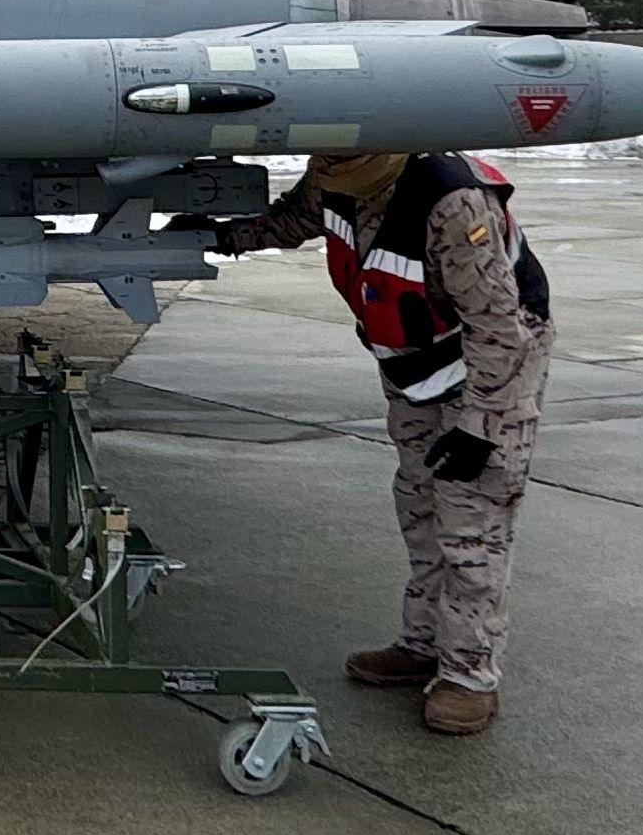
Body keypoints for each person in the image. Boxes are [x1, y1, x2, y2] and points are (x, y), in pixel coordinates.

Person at [197, 151, 553, 737]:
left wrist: (479, 428)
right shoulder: (342, 169)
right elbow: (295, 218)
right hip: (415, 362)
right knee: (419, 504)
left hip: (493, 370)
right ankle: (423, 646)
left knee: (472, 521)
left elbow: (498, 327)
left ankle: (470, 675)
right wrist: (226, 236)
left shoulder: (452, 203)